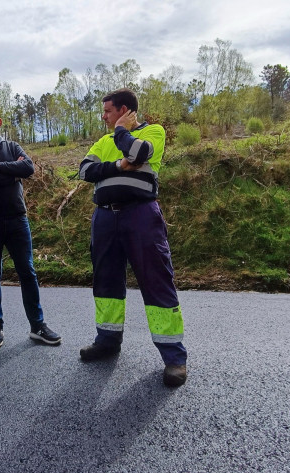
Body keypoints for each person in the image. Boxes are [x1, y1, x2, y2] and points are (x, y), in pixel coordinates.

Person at [77, 88, 188, 387]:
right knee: (106, 281)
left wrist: (122, 134)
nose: (103, 116)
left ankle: (174, 357)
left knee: (156, 280)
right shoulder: (102, 141)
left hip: (141, 215)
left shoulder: (153, 131)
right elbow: (85, 171)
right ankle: (107, 341)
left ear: (124, 111)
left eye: (108, 111)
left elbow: (139, 153)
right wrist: (118, 165)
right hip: (104, 217)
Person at [0, 105, 61, 349]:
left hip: (17, 219)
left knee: (27, 272)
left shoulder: (13, 147)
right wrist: (12, 172)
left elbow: (28, 168)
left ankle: (37, 325)